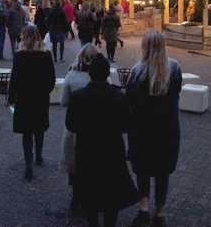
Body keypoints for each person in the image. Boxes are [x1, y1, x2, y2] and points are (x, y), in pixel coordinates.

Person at [66, 53, 139, 227]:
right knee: (111, 193)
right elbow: (127, 125)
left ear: (90, 73)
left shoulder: (79, 97)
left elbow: (71, 125)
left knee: (90, 191)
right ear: (107, 74)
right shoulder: (118, 97)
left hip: (87, 151)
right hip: (112, 151)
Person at [126, 30, 182, 227]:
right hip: (167, 129)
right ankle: (159, 212)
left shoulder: (137, 72)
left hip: (142, 130)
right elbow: (178, 92)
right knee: (162, 171)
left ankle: (144, 208)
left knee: (142, 170)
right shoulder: (174, 69)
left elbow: (129, 101)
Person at [7, 26, 55, 180]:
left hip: (24, 96)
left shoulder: (20, 55)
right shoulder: (45, 54)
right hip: (40, 96)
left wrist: (11, 98)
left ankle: (28, 162)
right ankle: (39, 154)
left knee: (27, 131)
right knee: (39, 127)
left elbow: (14, 78)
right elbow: (51, 76)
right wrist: (46, 90)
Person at [59, 43, 99, 211]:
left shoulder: (71, 75)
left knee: (74, 162)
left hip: (74, 127)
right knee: (92, 160)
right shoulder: (102, 78)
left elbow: (64, 102)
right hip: (96, 127)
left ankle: (76, 195)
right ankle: (91, 193)